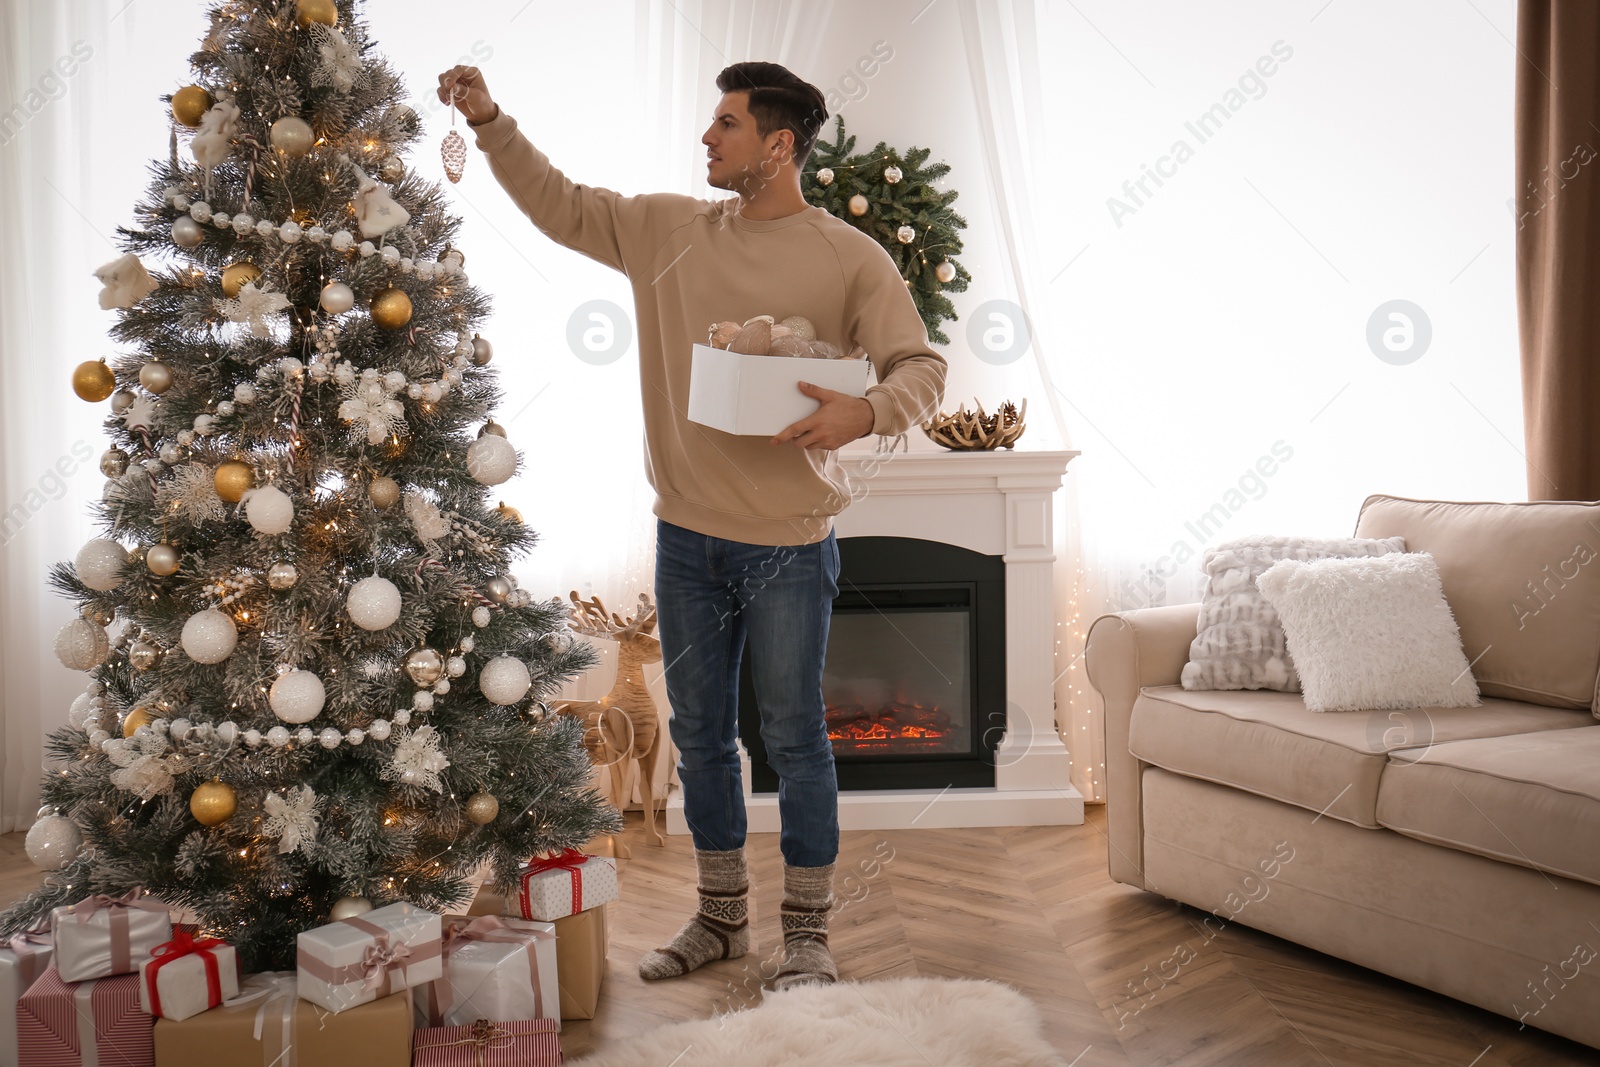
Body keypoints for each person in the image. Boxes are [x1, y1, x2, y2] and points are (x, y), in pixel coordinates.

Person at [437, 60, 946, 990]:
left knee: (794, 737)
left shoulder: (847, 256)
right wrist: (490, 120)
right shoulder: (668, 228)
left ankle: (806, 935)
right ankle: (719, 920)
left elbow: (920, 365)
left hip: (791, 543)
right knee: (704, 736)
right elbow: (562, 204)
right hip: (686, 539)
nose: (706, 138)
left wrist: (862, 413)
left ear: (779, 144)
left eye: (727, 124)